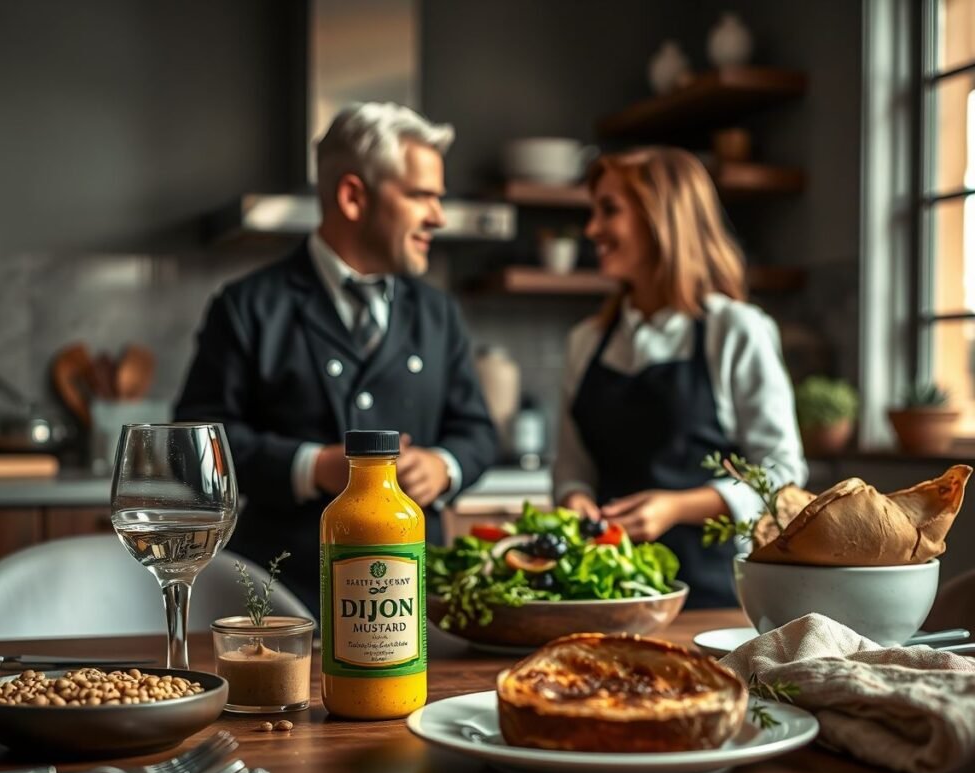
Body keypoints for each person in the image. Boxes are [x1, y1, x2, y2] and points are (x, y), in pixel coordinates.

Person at [175, 102, 497, 615]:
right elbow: (195, 443)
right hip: (279, 600)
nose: (438, 216)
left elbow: (478, 432)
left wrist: (443, 465)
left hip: (415, 599)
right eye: (420, 196)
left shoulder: (439, 314)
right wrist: (311, 466)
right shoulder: (247, 306)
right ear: (352, 196)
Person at [553, 147, 807, 608]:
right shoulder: (586, 341)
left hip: (714, 596)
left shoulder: (735, 330)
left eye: (609, 210)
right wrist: (575, 500)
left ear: (660, 217)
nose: (592, 229)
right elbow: (573, 468)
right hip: (605, 593)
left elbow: (783, 472)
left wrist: (676, 507)